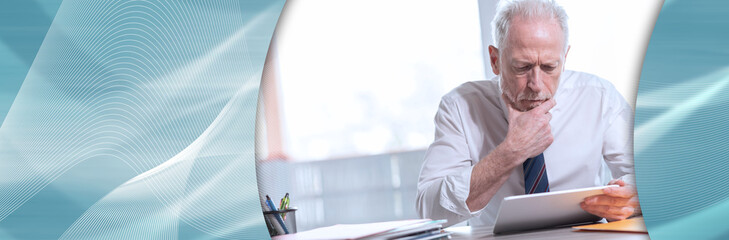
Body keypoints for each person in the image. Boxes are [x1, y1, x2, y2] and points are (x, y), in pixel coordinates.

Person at [415, 0, 640, 228]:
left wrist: (631, 198)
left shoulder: (599, 97)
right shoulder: (460, 107)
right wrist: (511, 152)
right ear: (495, 60)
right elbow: (430, 210)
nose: (536, 84)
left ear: (564, 58)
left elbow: (653, 178)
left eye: (550, 67)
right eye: (522, 67)